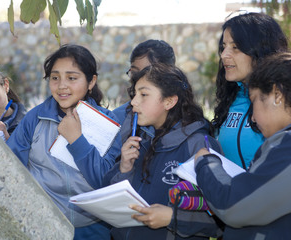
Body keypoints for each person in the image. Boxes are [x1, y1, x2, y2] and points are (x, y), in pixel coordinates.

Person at [6, 44, 121, 240]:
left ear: (91, 81)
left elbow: (104, 181)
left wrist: (76, 140)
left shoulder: (109, 125)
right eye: (55, 77)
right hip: (42, 224)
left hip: (93, 228)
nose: (61, 86)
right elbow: (10, 168)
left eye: (72, 78)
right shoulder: (35, 119)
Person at [103, 63, 223, 239]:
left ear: (169, 101)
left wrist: (172, 218)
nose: (134, 102)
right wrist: (125, 169)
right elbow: (111, 202)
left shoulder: (200, 147)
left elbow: (220, 219)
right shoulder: (138, 141)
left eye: (143, 94)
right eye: (135, 94)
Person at [194, 52, 291, 240]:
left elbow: (232, 205)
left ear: (277, 95)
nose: (253, 117)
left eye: (254, 100)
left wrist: (206, 163)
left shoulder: (286, 147)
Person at [211, 12, 288, 169]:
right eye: (223, 47)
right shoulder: (230, 97)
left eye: (235, 47)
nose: (224, 55)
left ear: (260, 50)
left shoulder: (284, 98)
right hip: (231, 192)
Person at [113, 39, 176, 143]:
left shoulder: (191, 131)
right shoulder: (118, 119)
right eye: (134, 72)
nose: (139, 79)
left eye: (148, 72)